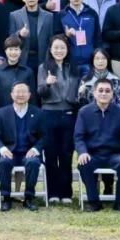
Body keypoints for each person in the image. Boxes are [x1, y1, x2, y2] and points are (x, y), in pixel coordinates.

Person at [74, 78, 120, 211]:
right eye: (100, 90)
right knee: (84, 164)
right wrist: (82, 152)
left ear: (112, 94)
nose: (104, 93)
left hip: (114, 155)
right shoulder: (84, 112)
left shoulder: (119, 112)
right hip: (93, 155)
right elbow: (79, 137)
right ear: (94, 93)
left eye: (107, 91)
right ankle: (94, 202)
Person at [37, 35, 80, 203]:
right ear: (50, 49)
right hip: (49, 113)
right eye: (56, 47)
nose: (59, 51)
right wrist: (47, 84)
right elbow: (40, 93)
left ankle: (66, 192)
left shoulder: (73, 68)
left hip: (68, 113)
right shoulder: (43, 67)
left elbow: (78, 91)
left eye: (62, 47)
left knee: (66, 153)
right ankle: (52, 192)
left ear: (67, 49)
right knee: (51, 153)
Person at [0, 81, 46, 211]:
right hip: (10, 152)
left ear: (29, 95)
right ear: (12, 94)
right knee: (3, 162)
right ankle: (6, 198)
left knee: (33, 162)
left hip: (28, 153)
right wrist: (2, 149)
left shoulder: (38, 113)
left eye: (23, 92)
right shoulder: (1, 113)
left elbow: (44, 136)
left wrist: (35, 149)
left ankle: (29, 198)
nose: (20, 95)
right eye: (17, 92)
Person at [8, 0, 55, 69]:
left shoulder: (49, 16)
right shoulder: (14, 15)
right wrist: (19, 34)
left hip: (42, 58)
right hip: (23, 58)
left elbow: (51, 39)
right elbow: (10, 38)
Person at [60, 0, 101, 71]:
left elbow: (98, 37)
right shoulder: (61, 15)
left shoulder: (92, 13)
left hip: (90, 62)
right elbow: (55, 38)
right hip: (69, 63)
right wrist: (66, 36)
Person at [0, 37, 37, 109]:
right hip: (3, 112)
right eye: (10, 49)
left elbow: (33, 97)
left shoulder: (28, 71)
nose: (13, 52)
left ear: (20, 51)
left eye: (16, 49)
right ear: (5, 51)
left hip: (23, 111)